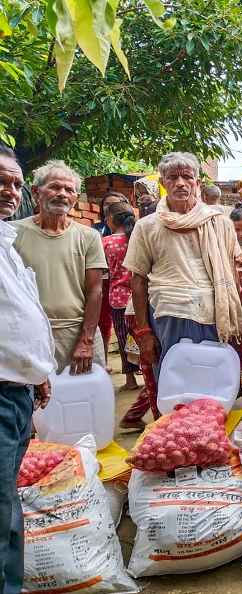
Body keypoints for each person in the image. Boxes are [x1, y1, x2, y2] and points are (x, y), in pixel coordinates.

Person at [125, 152, 242, 383]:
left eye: (187, 177)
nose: (181, 183)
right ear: (163, 183)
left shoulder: (220, 222)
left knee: (216, 386)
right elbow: (138, 280)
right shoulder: (146, 226)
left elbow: (233, 272)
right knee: (177, 385)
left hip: (215, 316)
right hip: (170, 315)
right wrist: (144, 332)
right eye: (172, 177)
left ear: (197, 183)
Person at [0, 146, 54, 594]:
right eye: (3, 180)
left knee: (7, 502)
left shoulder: (6, 244)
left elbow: (19, 319)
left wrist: (38, 373)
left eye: (15, 183)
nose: (9, 191)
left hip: (17, 390)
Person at [13, 160, 107, 374]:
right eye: (55, 187)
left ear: (75, 197)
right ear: (36, 192)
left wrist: (86, 341)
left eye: (69, 189)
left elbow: (95, 291)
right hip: (30, 335)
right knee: (37, 403)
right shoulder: (11, 234)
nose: (62, 193)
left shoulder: (89, 236)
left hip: (79, 332)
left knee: (88, 398)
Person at [102, 202, 140, 391]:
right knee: (141, 337)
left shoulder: (107, 242)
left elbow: (103, 272)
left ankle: (131, 380)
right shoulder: (137, 238)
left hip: (118, 299)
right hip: (140, 298)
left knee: (124, 339)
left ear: (110, 219)